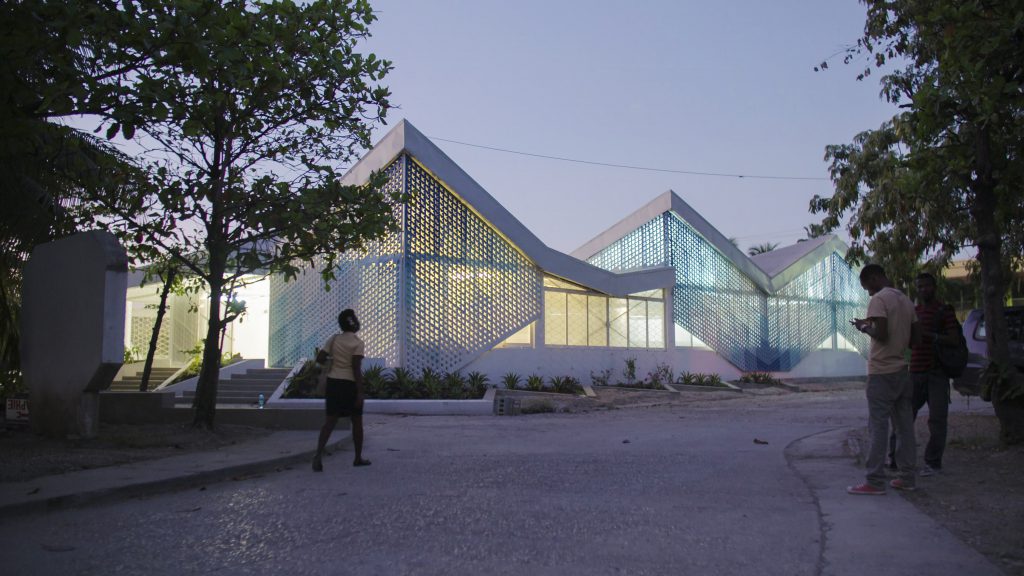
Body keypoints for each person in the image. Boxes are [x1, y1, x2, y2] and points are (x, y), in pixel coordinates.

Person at [848, 264, 920, 495]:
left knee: (878, 426)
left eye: (868, 287)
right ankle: (907, 478)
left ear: (874, 278)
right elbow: (916, 338)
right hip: (902, 370)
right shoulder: (906, 300)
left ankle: (874, 481)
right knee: (905, 427)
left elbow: (882, 333)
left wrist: (864, 327)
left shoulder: (880, 299)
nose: (869, 293)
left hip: (881, 371)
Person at [908, 272, 960, 476]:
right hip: (916, 370)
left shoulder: (944, 310)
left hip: (937, 372)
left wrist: (929, 336)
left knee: (937, 420)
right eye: (920, 287)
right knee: (905, 416)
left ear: (934, 287)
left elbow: (954, 339)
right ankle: (896, 458)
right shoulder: (915, 311)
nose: (923, 290)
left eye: (926, 286)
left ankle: (933, 463)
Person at [312, 308, 371, 471]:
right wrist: (360, 392)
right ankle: (357, 458)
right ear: (354, 323)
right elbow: (355, 368)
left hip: (333, 383)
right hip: (350, 385)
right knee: (357, 421)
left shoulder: (334, 339)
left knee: (329, 422)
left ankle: (318, 455)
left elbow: (320, 358)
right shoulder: (358, 343)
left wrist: (333, 362)